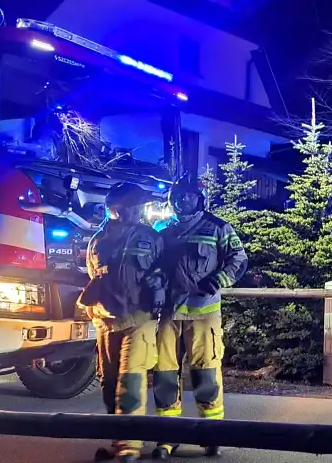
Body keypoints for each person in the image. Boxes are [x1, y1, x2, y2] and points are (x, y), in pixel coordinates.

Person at [152, 174, 247, 460]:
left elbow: (239, 259)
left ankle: (211, 434)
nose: (184, 201)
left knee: (206, 372)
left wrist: (218, 280)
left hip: (203, 314)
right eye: (179, 196)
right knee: (165, 373)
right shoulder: (160, 229)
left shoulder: (218, 227)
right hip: (168, 314)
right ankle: (167, 436)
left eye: (190, 196)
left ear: (199, 199)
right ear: (172, 200)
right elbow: (150, 264)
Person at [78, 182, 165, 463]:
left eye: (140, 206)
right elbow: (93, 275)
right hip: (105, 321)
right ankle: (118, 441)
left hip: (138, 320)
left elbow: (163, 271)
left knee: (131, 380)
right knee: (109, 382)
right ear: (117, 210)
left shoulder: (150, 238)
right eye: (134, 206)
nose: (139, 212)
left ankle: (129, 446)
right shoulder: (97, 241)